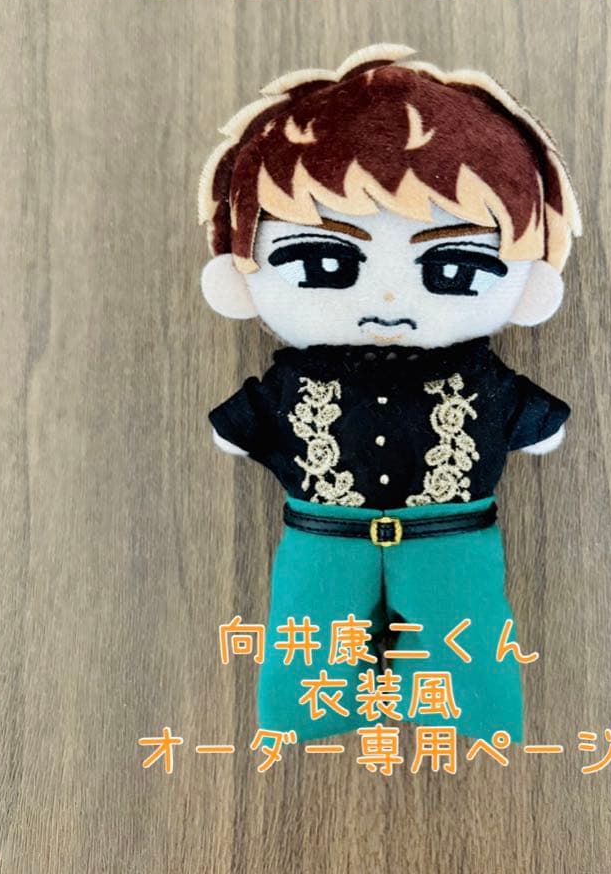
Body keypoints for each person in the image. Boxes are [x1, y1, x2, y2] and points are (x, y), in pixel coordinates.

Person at [198, 43, 581, 741]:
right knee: (309, 636)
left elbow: (536, 420)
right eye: (321, 261)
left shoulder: (479, 378)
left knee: (465, 639)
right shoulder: (293, 381)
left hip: (449, 537)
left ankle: (464, 710)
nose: (386, 301)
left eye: (455, 269)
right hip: (326, 536)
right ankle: (312, 713)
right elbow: (243, 421)